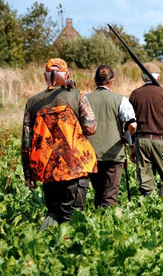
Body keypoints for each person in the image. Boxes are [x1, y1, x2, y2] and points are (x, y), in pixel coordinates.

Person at [21, 58, 97, 230]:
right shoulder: (77, 95)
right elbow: (91, 127)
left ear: (44, 77)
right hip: (74, 166)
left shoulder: (32, 102)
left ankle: (41, 246)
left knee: (54, 212)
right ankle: (69, 251)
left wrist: (28, 172)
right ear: (67, 75)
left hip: (47, 168)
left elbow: (26, 141)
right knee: (73, 214)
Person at [86, 65, 137, 208]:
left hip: (91, 154)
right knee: (109, 196)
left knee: (98, 193)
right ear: (112, 81)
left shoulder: (84, 99)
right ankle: (108, 226)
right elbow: (132, 126)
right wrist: (127, 138)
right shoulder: (121, 100)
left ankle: (96, 223)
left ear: (95, 80)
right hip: (113, 154)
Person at [129, 63, 163, 196]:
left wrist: (131, 146)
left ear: (143, 78)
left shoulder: (135, 94)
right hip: (161, 141)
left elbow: (129, 121)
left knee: (145, 181)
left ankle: (148, 207)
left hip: (141, 141)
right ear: (158, 78)